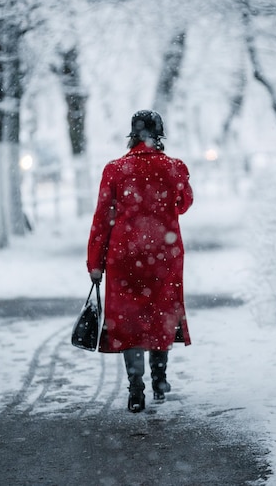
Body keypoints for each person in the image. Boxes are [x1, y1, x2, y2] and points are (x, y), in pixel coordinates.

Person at [86, 109, 193, 413]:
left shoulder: (115, 169)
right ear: (160, 134)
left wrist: (96, 262)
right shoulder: (175, 168)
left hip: (124, 256)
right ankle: (160, 379)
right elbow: (184, 204)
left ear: (132, 134)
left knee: (130, 321)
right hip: (164, 254)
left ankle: (136, 388)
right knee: (161, 315)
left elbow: (102, 217)